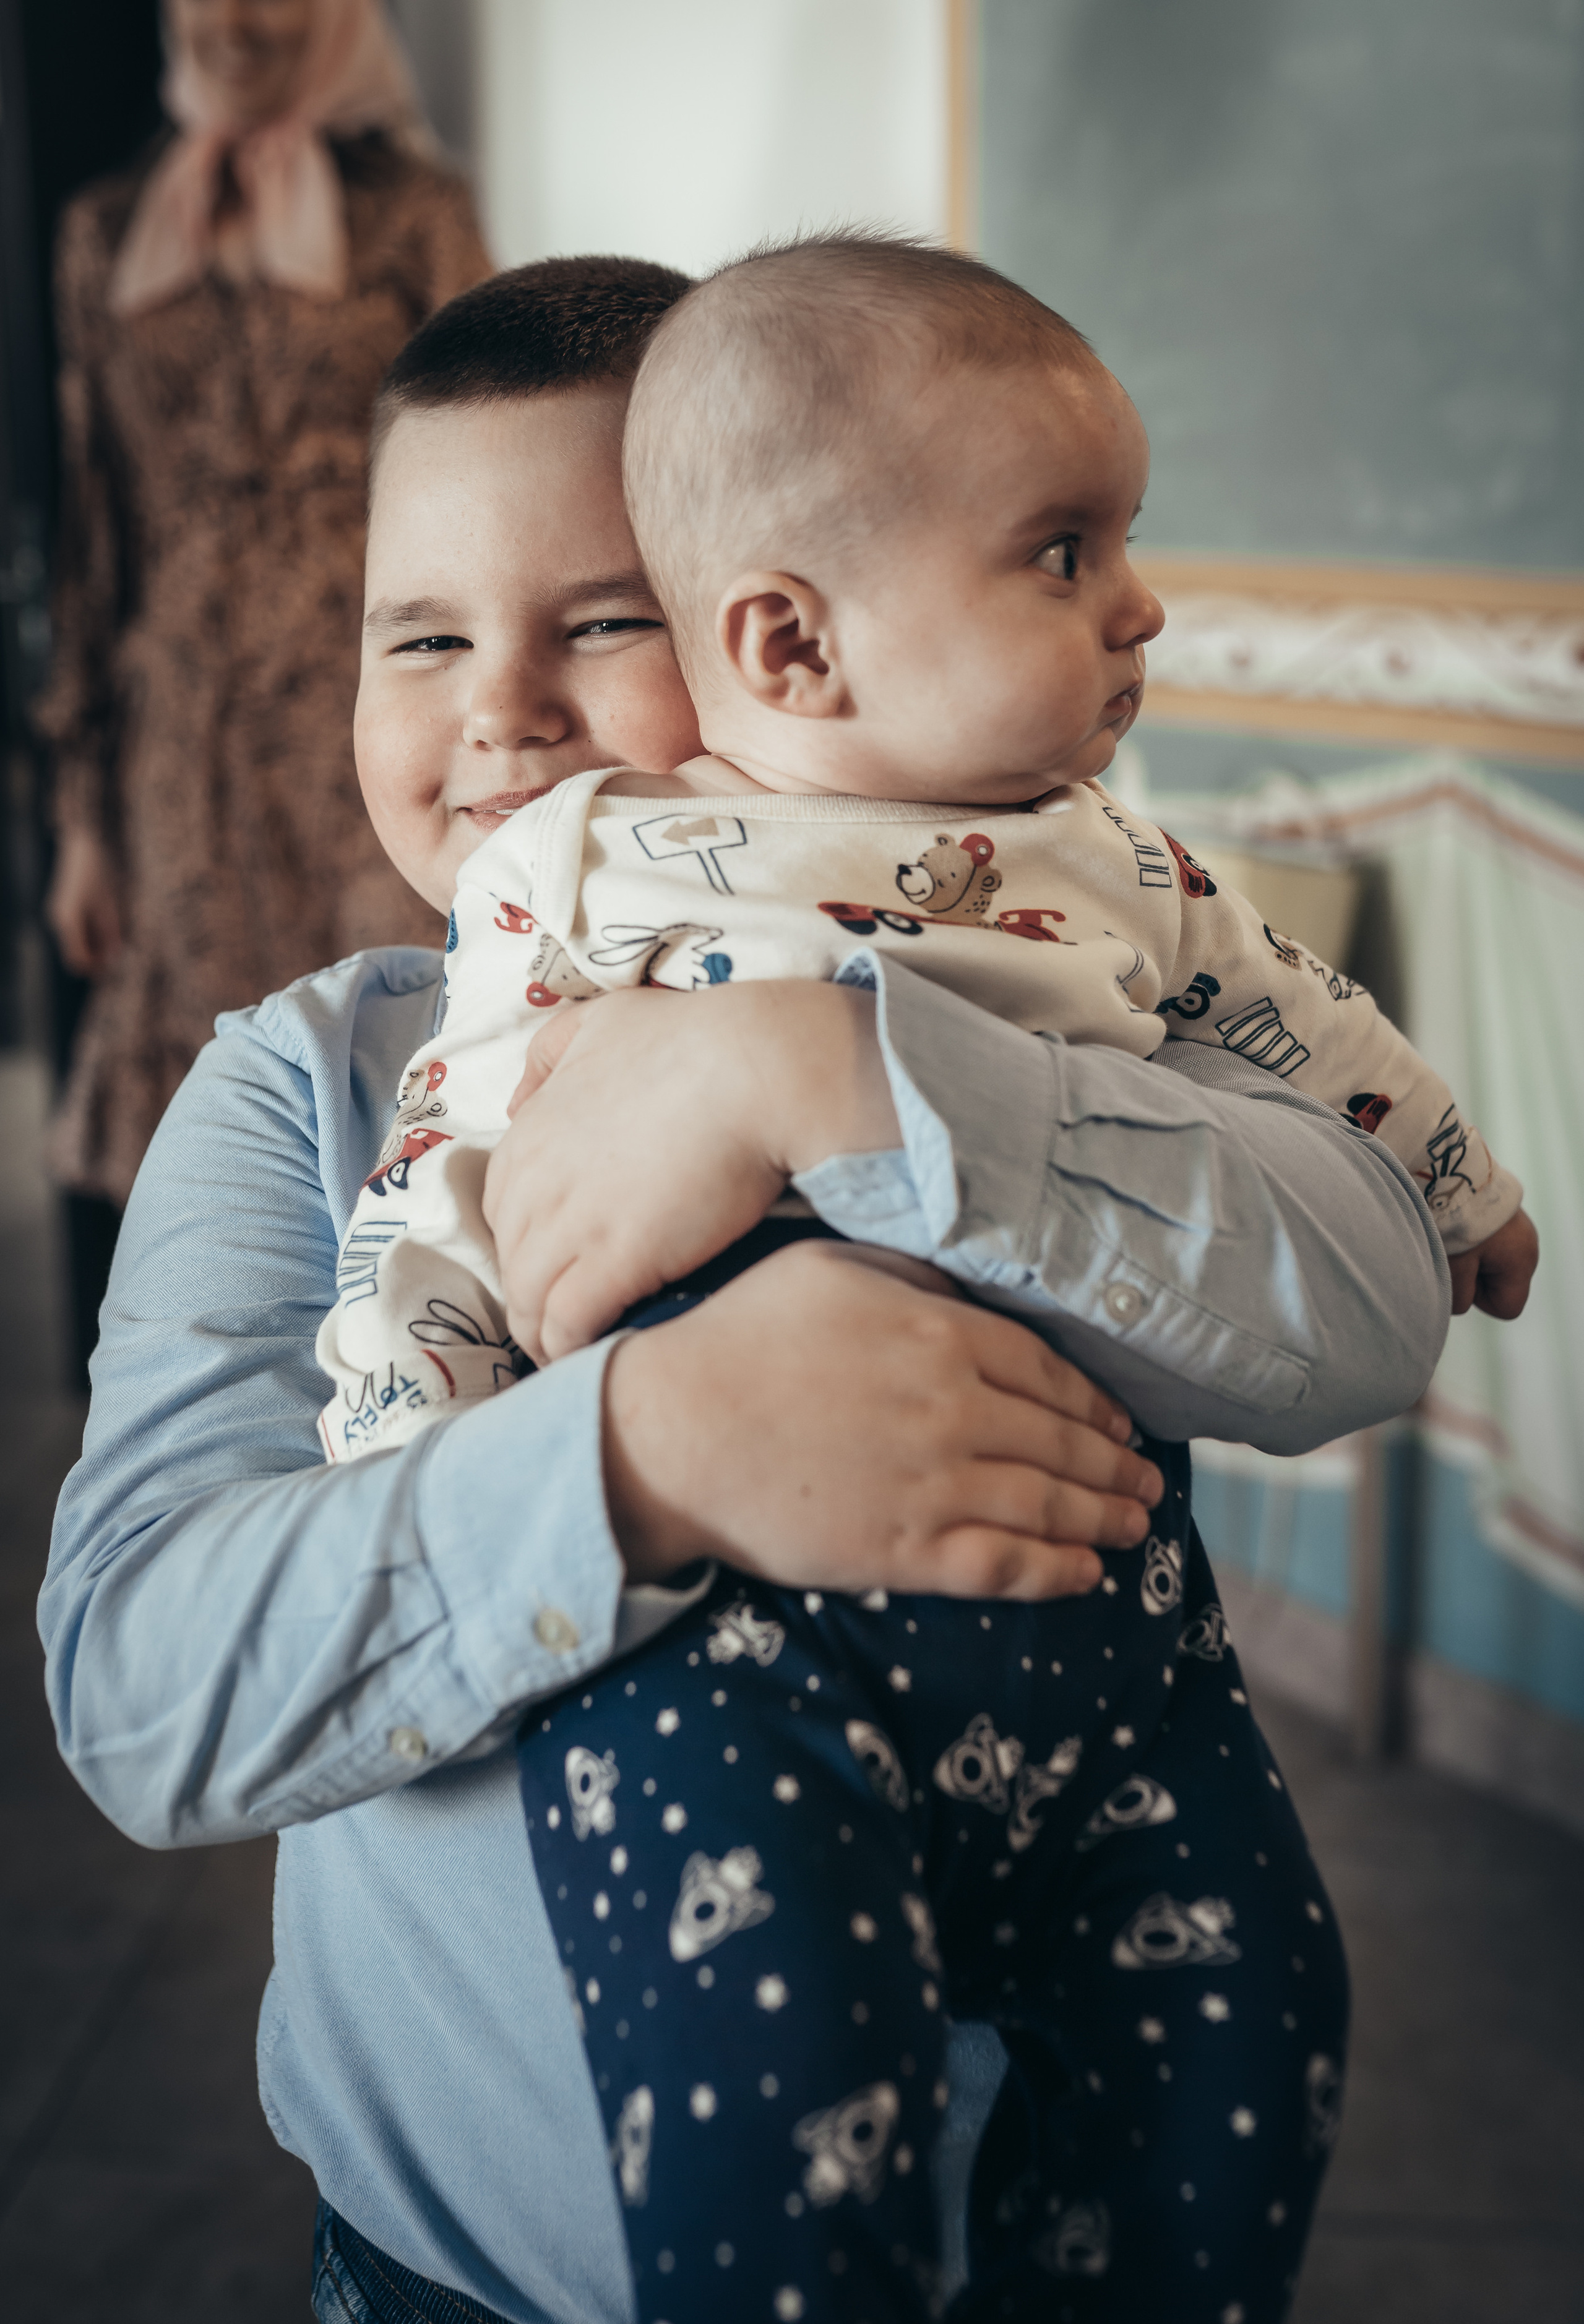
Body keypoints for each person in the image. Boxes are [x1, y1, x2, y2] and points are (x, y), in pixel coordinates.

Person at [42, 260, 1452, 2324]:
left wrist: (827, 1070)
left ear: (784, 631)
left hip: (1008, 2216)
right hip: (453, 2271)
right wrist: (642, 1451)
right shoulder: (304, 1087)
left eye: (608, 618)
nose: (499, 708)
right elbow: (142, 1686)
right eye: (420, 634)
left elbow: (1379, 1294)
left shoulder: (1042, 976)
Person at [33, 0, 489, 1260]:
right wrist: (82, 819)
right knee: (204, 1107)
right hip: (180, 749)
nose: (234, 18)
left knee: (392, 1066)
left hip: (366, 715)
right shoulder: (103, 232)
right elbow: (97, 529)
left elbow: (490, 474)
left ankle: (403, 1354)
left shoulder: (417, 212)